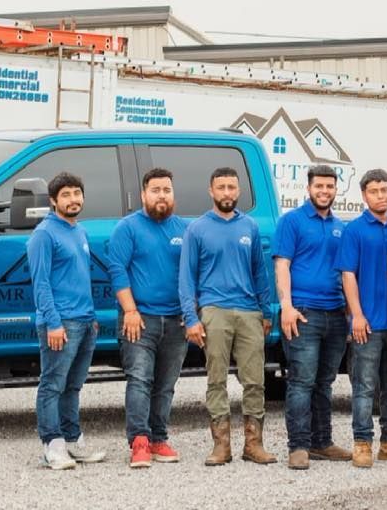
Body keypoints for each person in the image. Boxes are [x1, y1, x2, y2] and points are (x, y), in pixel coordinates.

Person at [179, 166, 276, 467]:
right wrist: (191, 318)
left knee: (255, 381)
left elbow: (260, 272)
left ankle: (254, 444)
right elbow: (186, 278)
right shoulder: (197, 229)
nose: (227, 193)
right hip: (214, 311)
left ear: (239, 191)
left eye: (232, 187)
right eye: (221, 187)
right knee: (216, 379)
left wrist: (266, 309)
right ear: (211, 191)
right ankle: (221, 446)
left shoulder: (250, 227)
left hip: (249, 312)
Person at [107, 167, 189, 469]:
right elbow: (117, 270)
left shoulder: (184, 229)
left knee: (166, 384)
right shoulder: (127, 228)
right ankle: (139, 441)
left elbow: (192, 275)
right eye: (155, 190)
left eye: (166, 190)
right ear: (143, 195)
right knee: (140, 380)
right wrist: (129, 310)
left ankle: (158, 438)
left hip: (176, 321)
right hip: (139, 320)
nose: (161, 195)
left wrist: (190, 313)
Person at [335, 168, 387, 469]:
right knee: (364, 387)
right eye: (374, 191)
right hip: (368, 324)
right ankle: (362, 443)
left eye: (384, 190)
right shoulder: (355, 230)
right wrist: (356, 315)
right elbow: (348, 275)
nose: (380, 196)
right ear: (364, 196)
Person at [273, 164, 352, 469]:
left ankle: (323, 442)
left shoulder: (340, 227)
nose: (324, 191)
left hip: (335, 314)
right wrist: (287, 307)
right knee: (302, 381)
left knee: (325, 382)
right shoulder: (291, 222)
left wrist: (348, 312)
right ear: (308, 189)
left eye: (330, 186)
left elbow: (345, 273)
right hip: (303, 313)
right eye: (319, 186)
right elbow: (282, 265)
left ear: (336, 190)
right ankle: (299, 446)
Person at [28, 170, 107, 470]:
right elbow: (41, 284)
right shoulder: (44, 235)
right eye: (66, 195)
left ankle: (73, 441)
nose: (73, 200)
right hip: (61, 323)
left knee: (74, 385)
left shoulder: (79, 231)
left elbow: (81, 278)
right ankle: (53, 446)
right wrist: (53, 322)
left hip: (85, 322)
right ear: (53, 200)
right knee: (52, 384)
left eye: (77, 193)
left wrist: (93, 318)